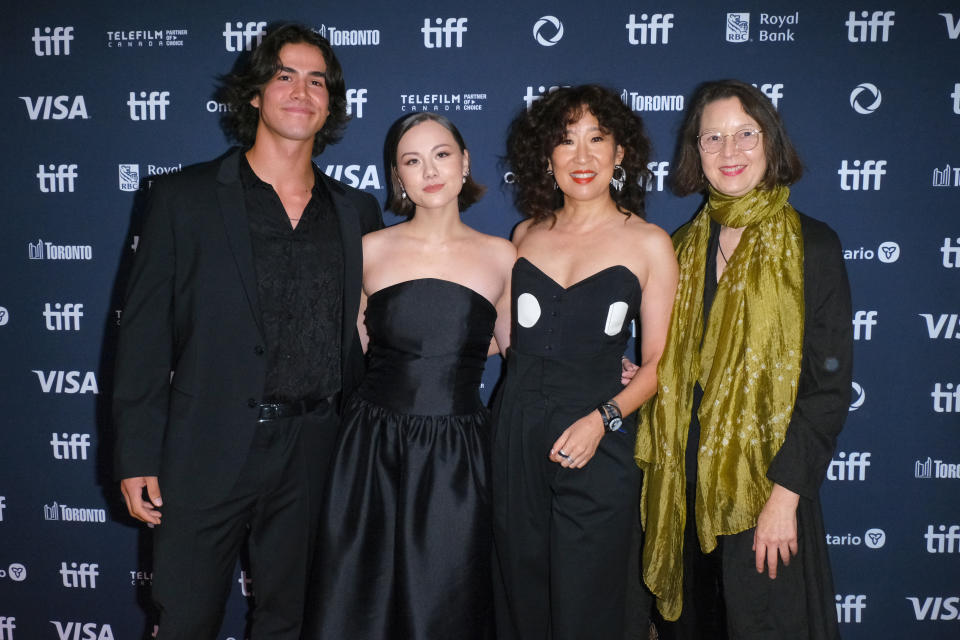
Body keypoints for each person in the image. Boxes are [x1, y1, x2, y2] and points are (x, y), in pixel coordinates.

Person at [112, 23, 382, 639]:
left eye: (317, 80)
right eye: (284, 75)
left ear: (330, 104)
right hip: (204, 449)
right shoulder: (182, 198)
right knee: (184, 619)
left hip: (317, 449)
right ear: (255, 93)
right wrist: (136, 454)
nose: (300, 91)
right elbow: (143, 336)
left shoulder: (356, 211)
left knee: (294, 621)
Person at [635, 79, 853, 640]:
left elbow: (826, 389)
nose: (729, 152)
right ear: (696, 151)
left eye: (744, 135)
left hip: (765, 492)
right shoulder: (681, 246)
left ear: (771, 142)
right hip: (683, 492)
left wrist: (785, 497)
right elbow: (680, 365)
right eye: (713, 138)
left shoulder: (814, 246)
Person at [304, 113, 515, 639]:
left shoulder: (503, 257)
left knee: (447, 600)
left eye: (442, 154)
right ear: (397, 177)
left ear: (465, 163)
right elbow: (354, 346)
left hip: (458, 455)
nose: (430, 171)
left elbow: (517, 353)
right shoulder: (367, 250)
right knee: (359, 599)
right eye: (412, 160)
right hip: (371, 450)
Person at [492, 85, 679, 639]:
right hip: (515, 430)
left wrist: (604, 419)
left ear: (620, 152)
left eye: (597, 138)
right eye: (566, 140)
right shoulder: (524, 235)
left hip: (599, 434)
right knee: (520, 592)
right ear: (546, 156)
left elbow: (656, 366)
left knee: (590, 600)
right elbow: (502, 337)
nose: (582, 156)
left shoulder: (649, 243)